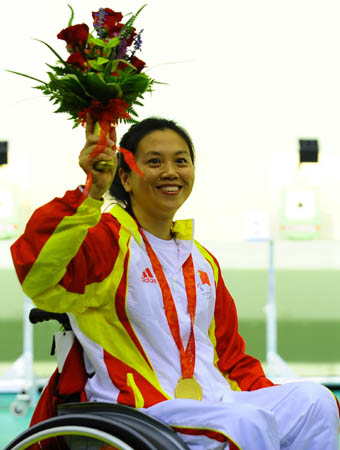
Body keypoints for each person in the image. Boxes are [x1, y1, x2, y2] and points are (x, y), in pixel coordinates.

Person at [11, 115, 339, 450]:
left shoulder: (201, 259)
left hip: (213, 402)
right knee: (244, 423)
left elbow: (228, 355)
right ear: (124, 176)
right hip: (140, 409)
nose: (171, 172)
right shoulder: (105, 242)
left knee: (315, 402)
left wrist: (266, 395)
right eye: (154, 162)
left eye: (181, 161)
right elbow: (38, 274)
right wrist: (90, 191)